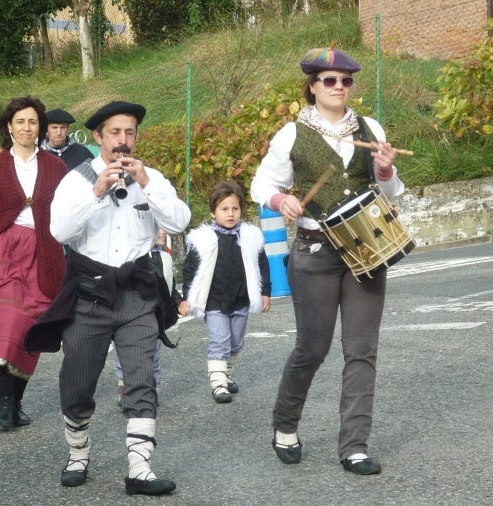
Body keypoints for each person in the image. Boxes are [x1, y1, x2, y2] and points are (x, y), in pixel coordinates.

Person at [250, 46, 404, 476]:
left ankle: (354, 446)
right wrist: (283, 199)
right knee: (312, 348)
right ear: (313, 87)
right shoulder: (290, 134)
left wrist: (387, 172)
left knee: (361, 351)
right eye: (330, 81)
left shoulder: (370, 128)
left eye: (346, 80)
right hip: (315, 251)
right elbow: (261, 183)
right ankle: (285, 424)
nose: (339, 87)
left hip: (368, 247)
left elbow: (390, 193)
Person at [26, 100, 191, 496]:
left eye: (130, 132)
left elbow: (180, 222)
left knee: (141, 377)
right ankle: (78, 452)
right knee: (78, 382)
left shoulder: (150, 179)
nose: (123, 141)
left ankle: (140, 468)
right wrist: (98, 191)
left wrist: (148, 184)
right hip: (89, 293)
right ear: (98, 137)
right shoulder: (77, 179)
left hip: (136, 292)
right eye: (115, 133)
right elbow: (60, 232)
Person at [0, 96, 68, 429]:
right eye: (20, 121)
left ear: (41, 128)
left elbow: (69, 211)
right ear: (9, 126)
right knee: (7, 320)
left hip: (44, 252)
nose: (26, 127)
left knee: (30, 325)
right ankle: (4, 404)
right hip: (3, 252)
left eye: (32, 122)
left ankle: (15, 402)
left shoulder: (55, 168)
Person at [178, 181, 271, 404]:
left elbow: (262, 266)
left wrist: (265, 293)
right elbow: (191, 271)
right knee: (220, 341)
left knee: (236, 342)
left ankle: (226, 375)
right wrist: (185, 298)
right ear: (213, 212)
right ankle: (218, 384)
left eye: (235, 209)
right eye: (224, 209)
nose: (230, 214)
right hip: (214, 301)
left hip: (241, 299)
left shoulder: (250, 237)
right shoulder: (203, 240)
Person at [112, 228, 182, 405]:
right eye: (156, 228)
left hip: (157, 313)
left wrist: (178, 302)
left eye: (163, 228)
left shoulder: (165, 257)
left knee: (155, 353)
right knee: (125, 354)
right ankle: (125, 387)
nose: (162, 232)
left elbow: (170, 285)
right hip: (132, 310)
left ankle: (152, 389)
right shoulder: (132, 256)